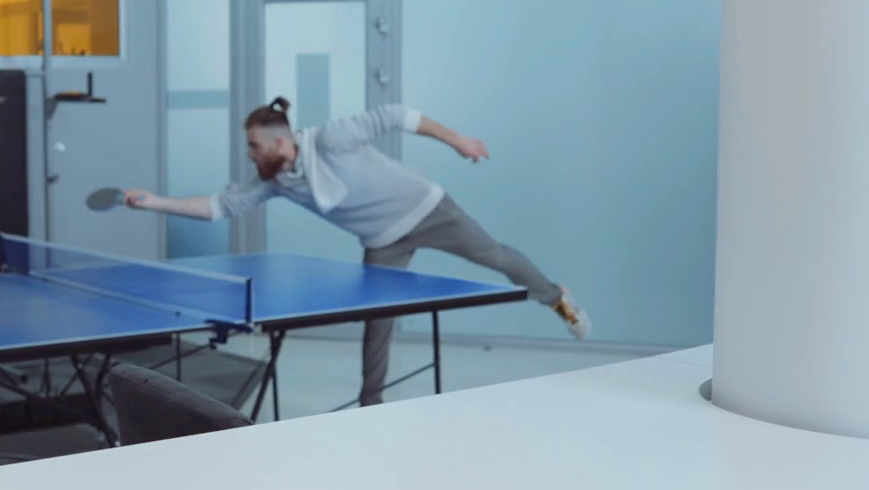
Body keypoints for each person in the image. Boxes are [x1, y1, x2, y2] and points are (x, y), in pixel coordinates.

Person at [125, 97, 587, 407]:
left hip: (426, 208)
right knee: (376, 323)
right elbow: (218, 206)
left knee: (498, 258)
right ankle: (372, 406)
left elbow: (396, 115)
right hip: (382, 240)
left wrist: (460, 141)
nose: (249, 154)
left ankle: (555, 297)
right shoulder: (275, 182)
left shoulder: (329, 139)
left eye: (253, 146)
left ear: (280, 142)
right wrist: (155, 203)